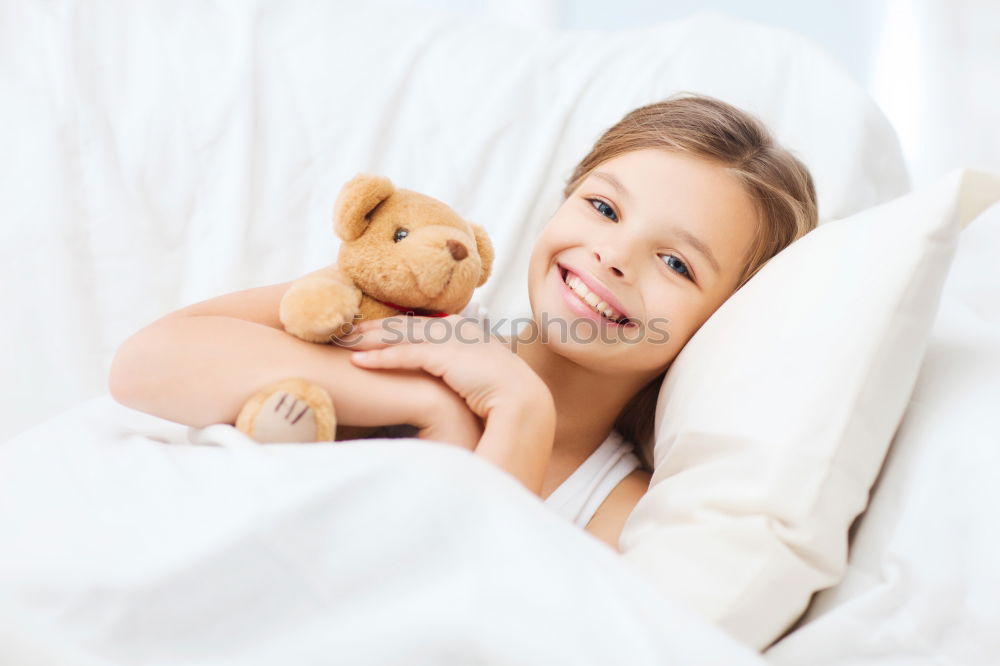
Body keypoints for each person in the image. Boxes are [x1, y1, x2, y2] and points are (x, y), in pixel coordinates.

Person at [108, 94, 817, 552]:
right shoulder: (419, 317)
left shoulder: (618, 513)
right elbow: (142, 366)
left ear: (725, 322)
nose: (614, 255)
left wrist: (520, 411)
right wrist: (423, 401)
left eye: (676, 262)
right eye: (603, 208)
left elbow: (460, 607)